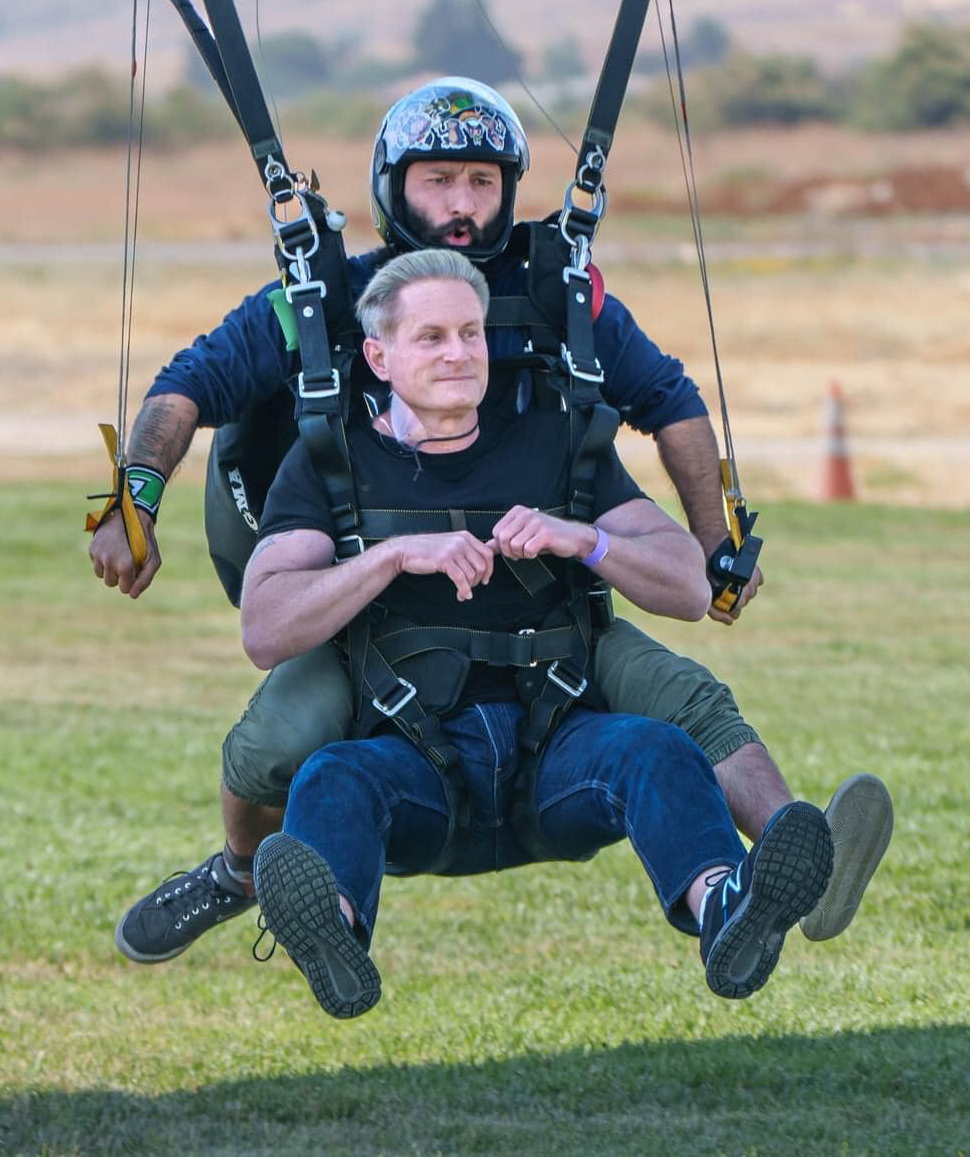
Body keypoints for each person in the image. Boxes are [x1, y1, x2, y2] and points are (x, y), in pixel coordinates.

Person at [95, 78, 890, 966]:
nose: (462, 205)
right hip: (375, 615)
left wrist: (710, 540)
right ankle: (243, 873)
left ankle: (789, 869)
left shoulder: (562, 304)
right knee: (277, 744)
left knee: (688, 703)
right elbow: (190, 385)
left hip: (547, 603)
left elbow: (668, 400)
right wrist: (134, 503)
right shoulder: (335, 302)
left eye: (482, 182)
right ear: (394, 188)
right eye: (439, 181)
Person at [241, 248, 835, 1016]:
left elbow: (690, 585)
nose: (459, 352)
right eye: (431, 338)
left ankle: (725, 911)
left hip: (554, 748)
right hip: (416, 759)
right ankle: (334, 931)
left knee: (657, 749)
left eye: (471, 333)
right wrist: (391, 555)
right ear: (379, 356)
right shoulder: (331, 461)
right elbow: (264, 627)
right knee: (333, 777)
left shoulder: (555, 443)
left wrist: (582, 538)